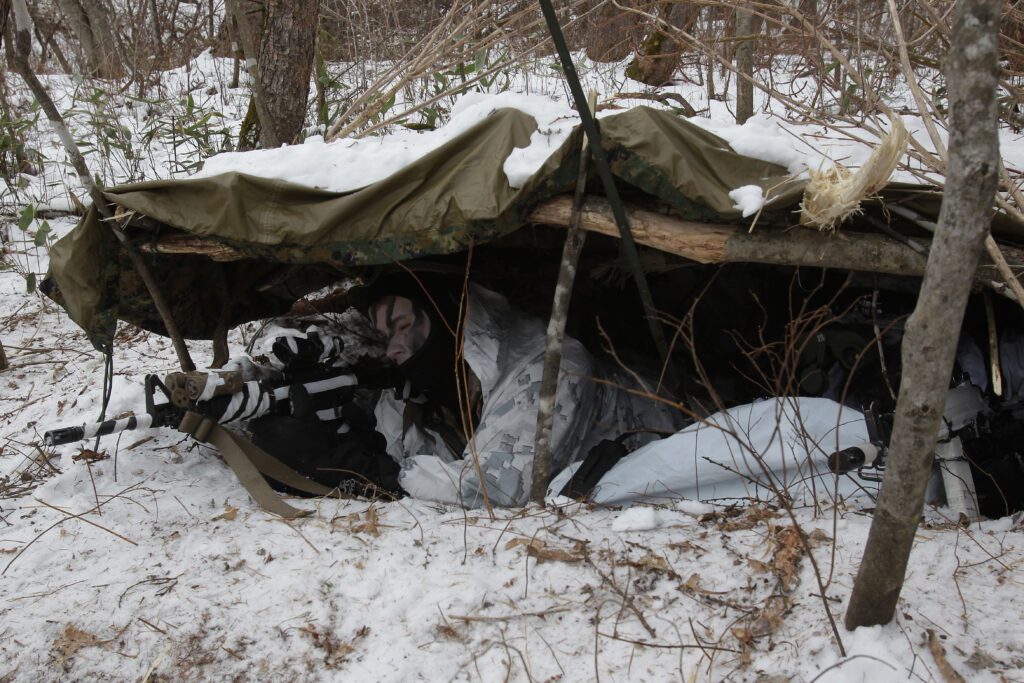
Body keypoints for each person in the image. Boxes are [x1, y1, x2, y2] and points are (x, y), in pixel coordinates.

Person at [351, 272, 684, 508]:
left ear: (450, 316)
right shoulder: (422, 393)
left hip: (683, 436)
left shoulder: (549, 366)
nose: (392, 349)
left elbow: (493, 491)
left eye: (405, 326)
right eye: (384, 338)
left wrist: (379, 475)